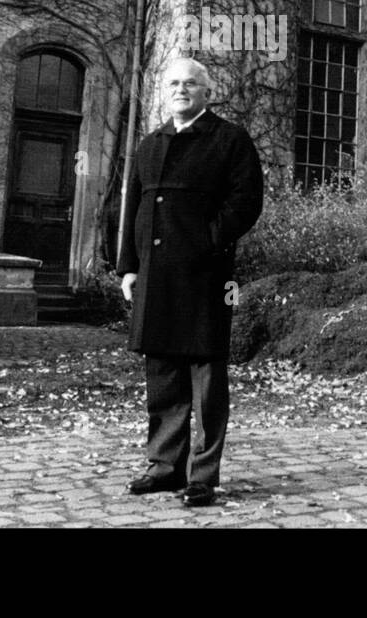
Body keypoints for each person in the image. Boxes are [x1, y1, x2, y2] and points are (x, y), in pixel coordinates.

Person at [117, 57, 264, 507]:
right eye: (174, 83)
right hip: (155, 279)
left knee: (206, 381)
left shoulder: (229, 140)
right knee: (162, 377)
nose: (181, 90)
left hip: (203, 276)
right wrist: (128, 266)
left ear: (207, 93)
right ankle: (164, 467)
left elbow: (246, 202)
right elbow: (132, 209)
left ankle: (203, 474)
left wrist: (207, 242)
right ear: (166, 91)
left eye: (191, 84)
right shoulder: (149, 143)